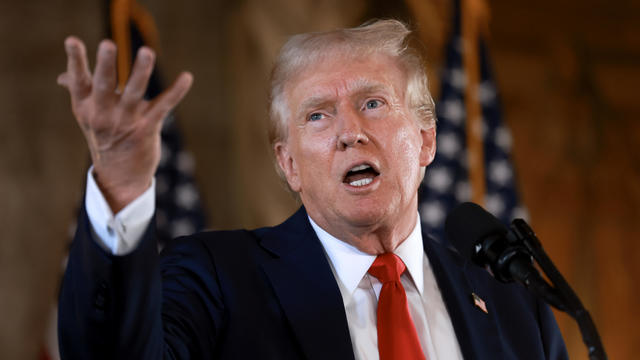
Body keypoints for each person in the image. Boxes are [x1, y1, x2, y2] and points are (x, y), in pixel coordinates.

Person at [57, 19, 568, 359]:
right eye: (318, 115)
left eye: (373, 103)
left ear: (426, 139)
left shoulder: (513, 304)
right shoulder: (217, 280)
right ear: (289, 165)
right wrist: (120, 189)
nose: (350, 132)